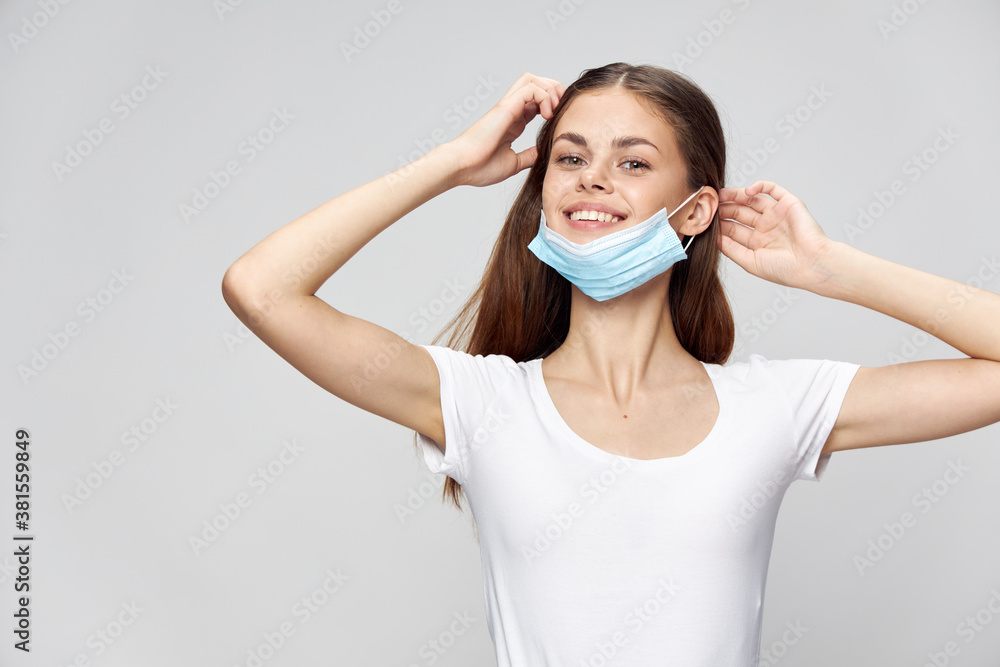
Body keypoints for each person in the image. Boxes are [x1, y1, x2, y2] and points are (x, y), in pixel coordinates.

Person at [221, 63, 1000, 666]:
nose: (592, 178)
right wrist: (453, 163)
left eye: (633, 163)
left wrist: (833, 268)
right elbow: (260, 290)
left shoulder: (776, 406)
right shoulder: (480, 402)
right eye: (570, 157)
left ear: (694, 210)